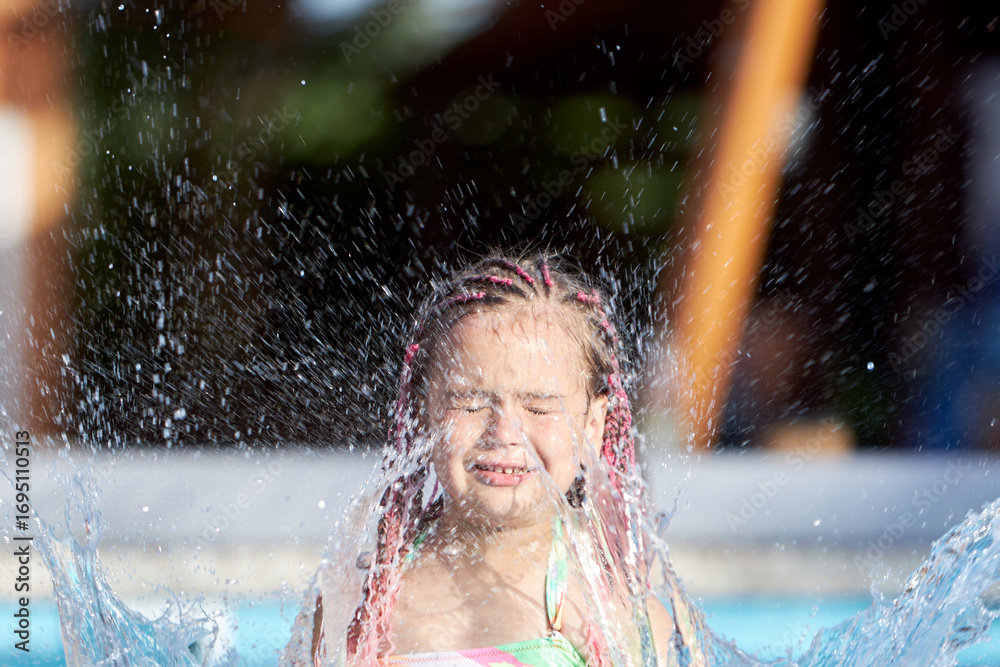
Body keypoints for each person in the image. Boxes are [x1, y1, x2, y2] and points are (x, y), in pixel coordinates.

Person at [281, 252, 709, 667]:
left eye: (540, 408)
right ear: (422, 415)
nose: (504, 432)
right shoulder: (362, 600)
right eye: (469, 402)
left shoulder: (611, 614)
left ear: (593, 426)